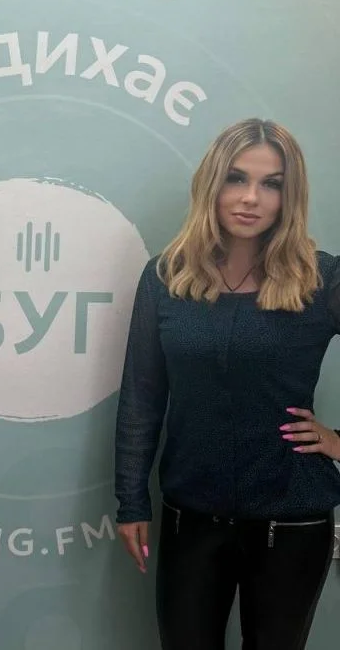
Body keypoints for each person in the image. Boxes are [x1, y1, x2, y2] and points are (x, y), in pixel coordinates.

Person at [114, 118, 340, 650]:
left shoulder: (321, 279)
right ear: (212, 184)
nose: (251, 198)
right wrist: (131, 502)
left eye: (271, 184)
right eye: (236, 178)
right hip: (190, 516)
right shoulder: (167, 278)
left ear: (289, 195)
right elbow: (142, 398)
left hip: (291, 520)